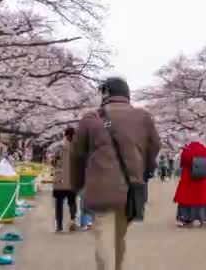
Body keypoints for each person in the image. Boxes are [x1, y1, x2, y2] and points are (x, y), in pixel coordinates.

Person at [71, 77, 160, 270]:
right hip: (132, 187)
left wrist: (78, 184)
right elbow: (154, 147)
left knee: (104, 233)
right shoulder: (143, 117)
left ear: (106, 93)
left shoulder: (91, 118)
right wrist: (146, 171)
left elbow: (77, 155)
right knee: (119, 235)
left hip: (100, 187)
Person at [174, 140, 206, 227]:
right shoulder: (205, 150)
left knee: (186, 198)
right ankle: (203, 219)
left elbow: (182, 162)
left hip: (188, 177)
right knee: (201, 198)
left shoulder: (187, 150)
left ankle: (186, 219)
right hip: (201, 178)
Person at [52, 127, 78, 233]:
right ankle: (72, 220)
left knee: (59, 203)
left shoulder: (59, 147)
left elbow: (54, 162)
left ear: (65, 135)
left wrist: (56, 163)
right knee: (72, 202)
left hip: (61, 179)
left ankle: (59, 225)